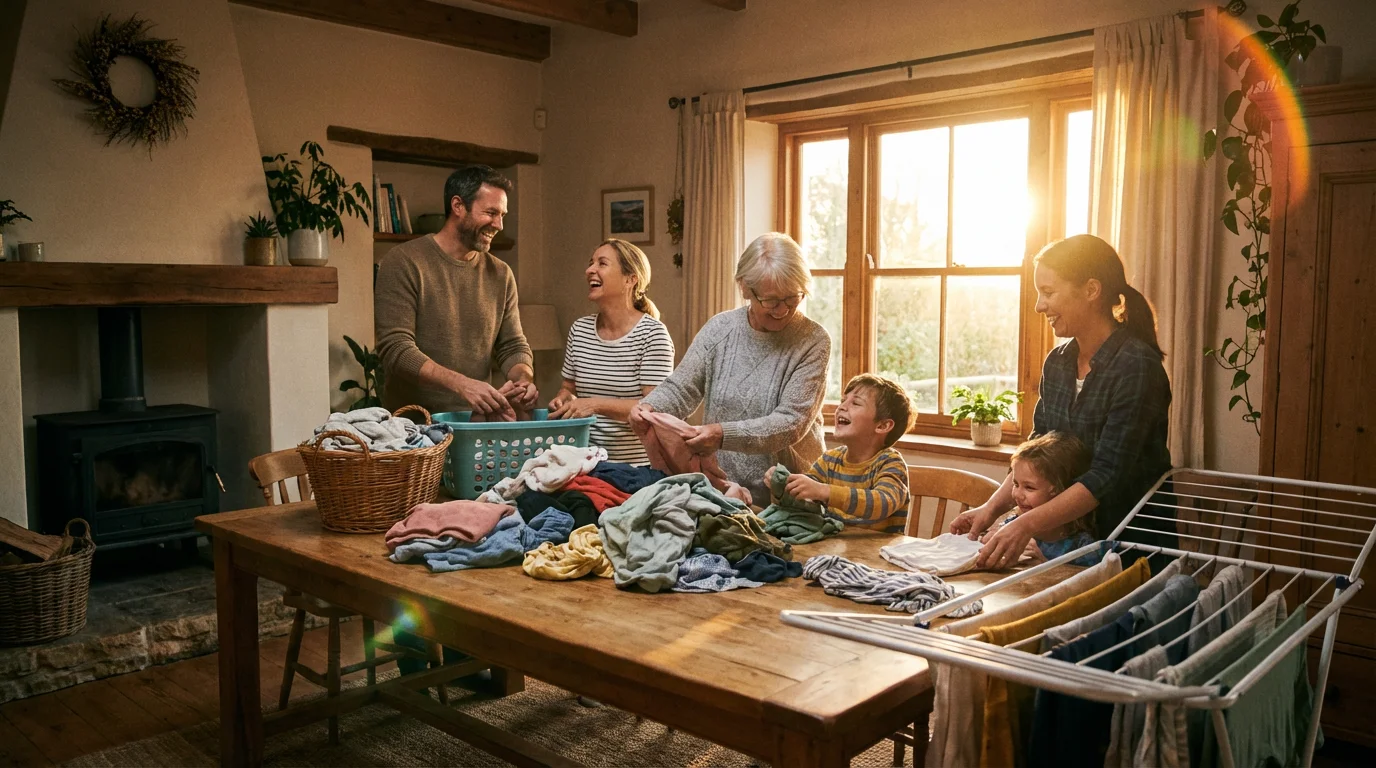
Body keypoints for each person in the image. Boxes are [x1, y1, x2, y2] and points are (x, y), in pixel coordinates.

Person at [951, 234, 1174, 569]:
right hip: (1062, 547)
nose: (1040, 305)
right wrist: (990, 509)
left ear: (1091, 290)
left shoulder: (1137, 367)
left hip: (1127, 551)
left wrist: (1026, 524)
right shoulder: (1057, 363)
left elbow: (1106, 475)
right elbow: (1036, 451)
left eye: (1049, 292)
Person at [633, 232, 831, 505]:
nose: (783, 310)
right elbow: (682, 388)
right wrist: (649, 408)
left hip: (792, 498)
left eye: (793, 298)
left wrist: (722, 435)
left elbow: (791, 423)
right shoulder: (720, 329)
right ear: (745, 289)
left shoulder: (813, 340)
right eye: (771, 301)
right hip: (724, 490)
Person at [374, 165, 538, 418]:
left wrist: (523, 379)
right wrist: (462, 385)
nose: (499, 225)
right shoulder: (404, 261)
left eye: (502, 214)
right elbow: (397, 349)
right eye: (491, 213)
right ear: (458, 206)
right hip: (414, 428)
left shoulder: (501, 274)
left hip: (474, 423)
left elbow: (512, 345)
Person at [548, 239, 674, 465]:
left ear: (630, 279)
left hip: (637, 468)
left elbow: (653, 409)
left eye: (602, 263)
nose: (590, 270)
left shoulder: (652, 335)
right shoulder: (580, 330)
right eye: (591, 263)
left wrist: (593, 404)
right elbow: (568, 388)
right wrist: (563, 400)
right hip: (585, 464)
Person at [776, 373, 915, 534]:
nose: (842, 406)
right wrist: (785, 484)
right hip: (836, 551)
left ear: (883, 426)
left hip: (879, 556)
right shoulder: (829, 460)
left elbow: (883, 503)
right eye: (843, 400)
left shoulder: (890, 463)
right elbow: (808, 499)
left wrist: (826, 491)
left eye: (855, 403)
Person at [986, 432, 1101, 567]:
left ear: (1058, 490)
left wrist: (1042, 562)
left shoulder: (1081, 546)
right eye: (1016, 484)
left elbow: (1089, 583)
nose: (1017, 494)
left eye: (1029, 487)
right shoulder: (1012, 524)